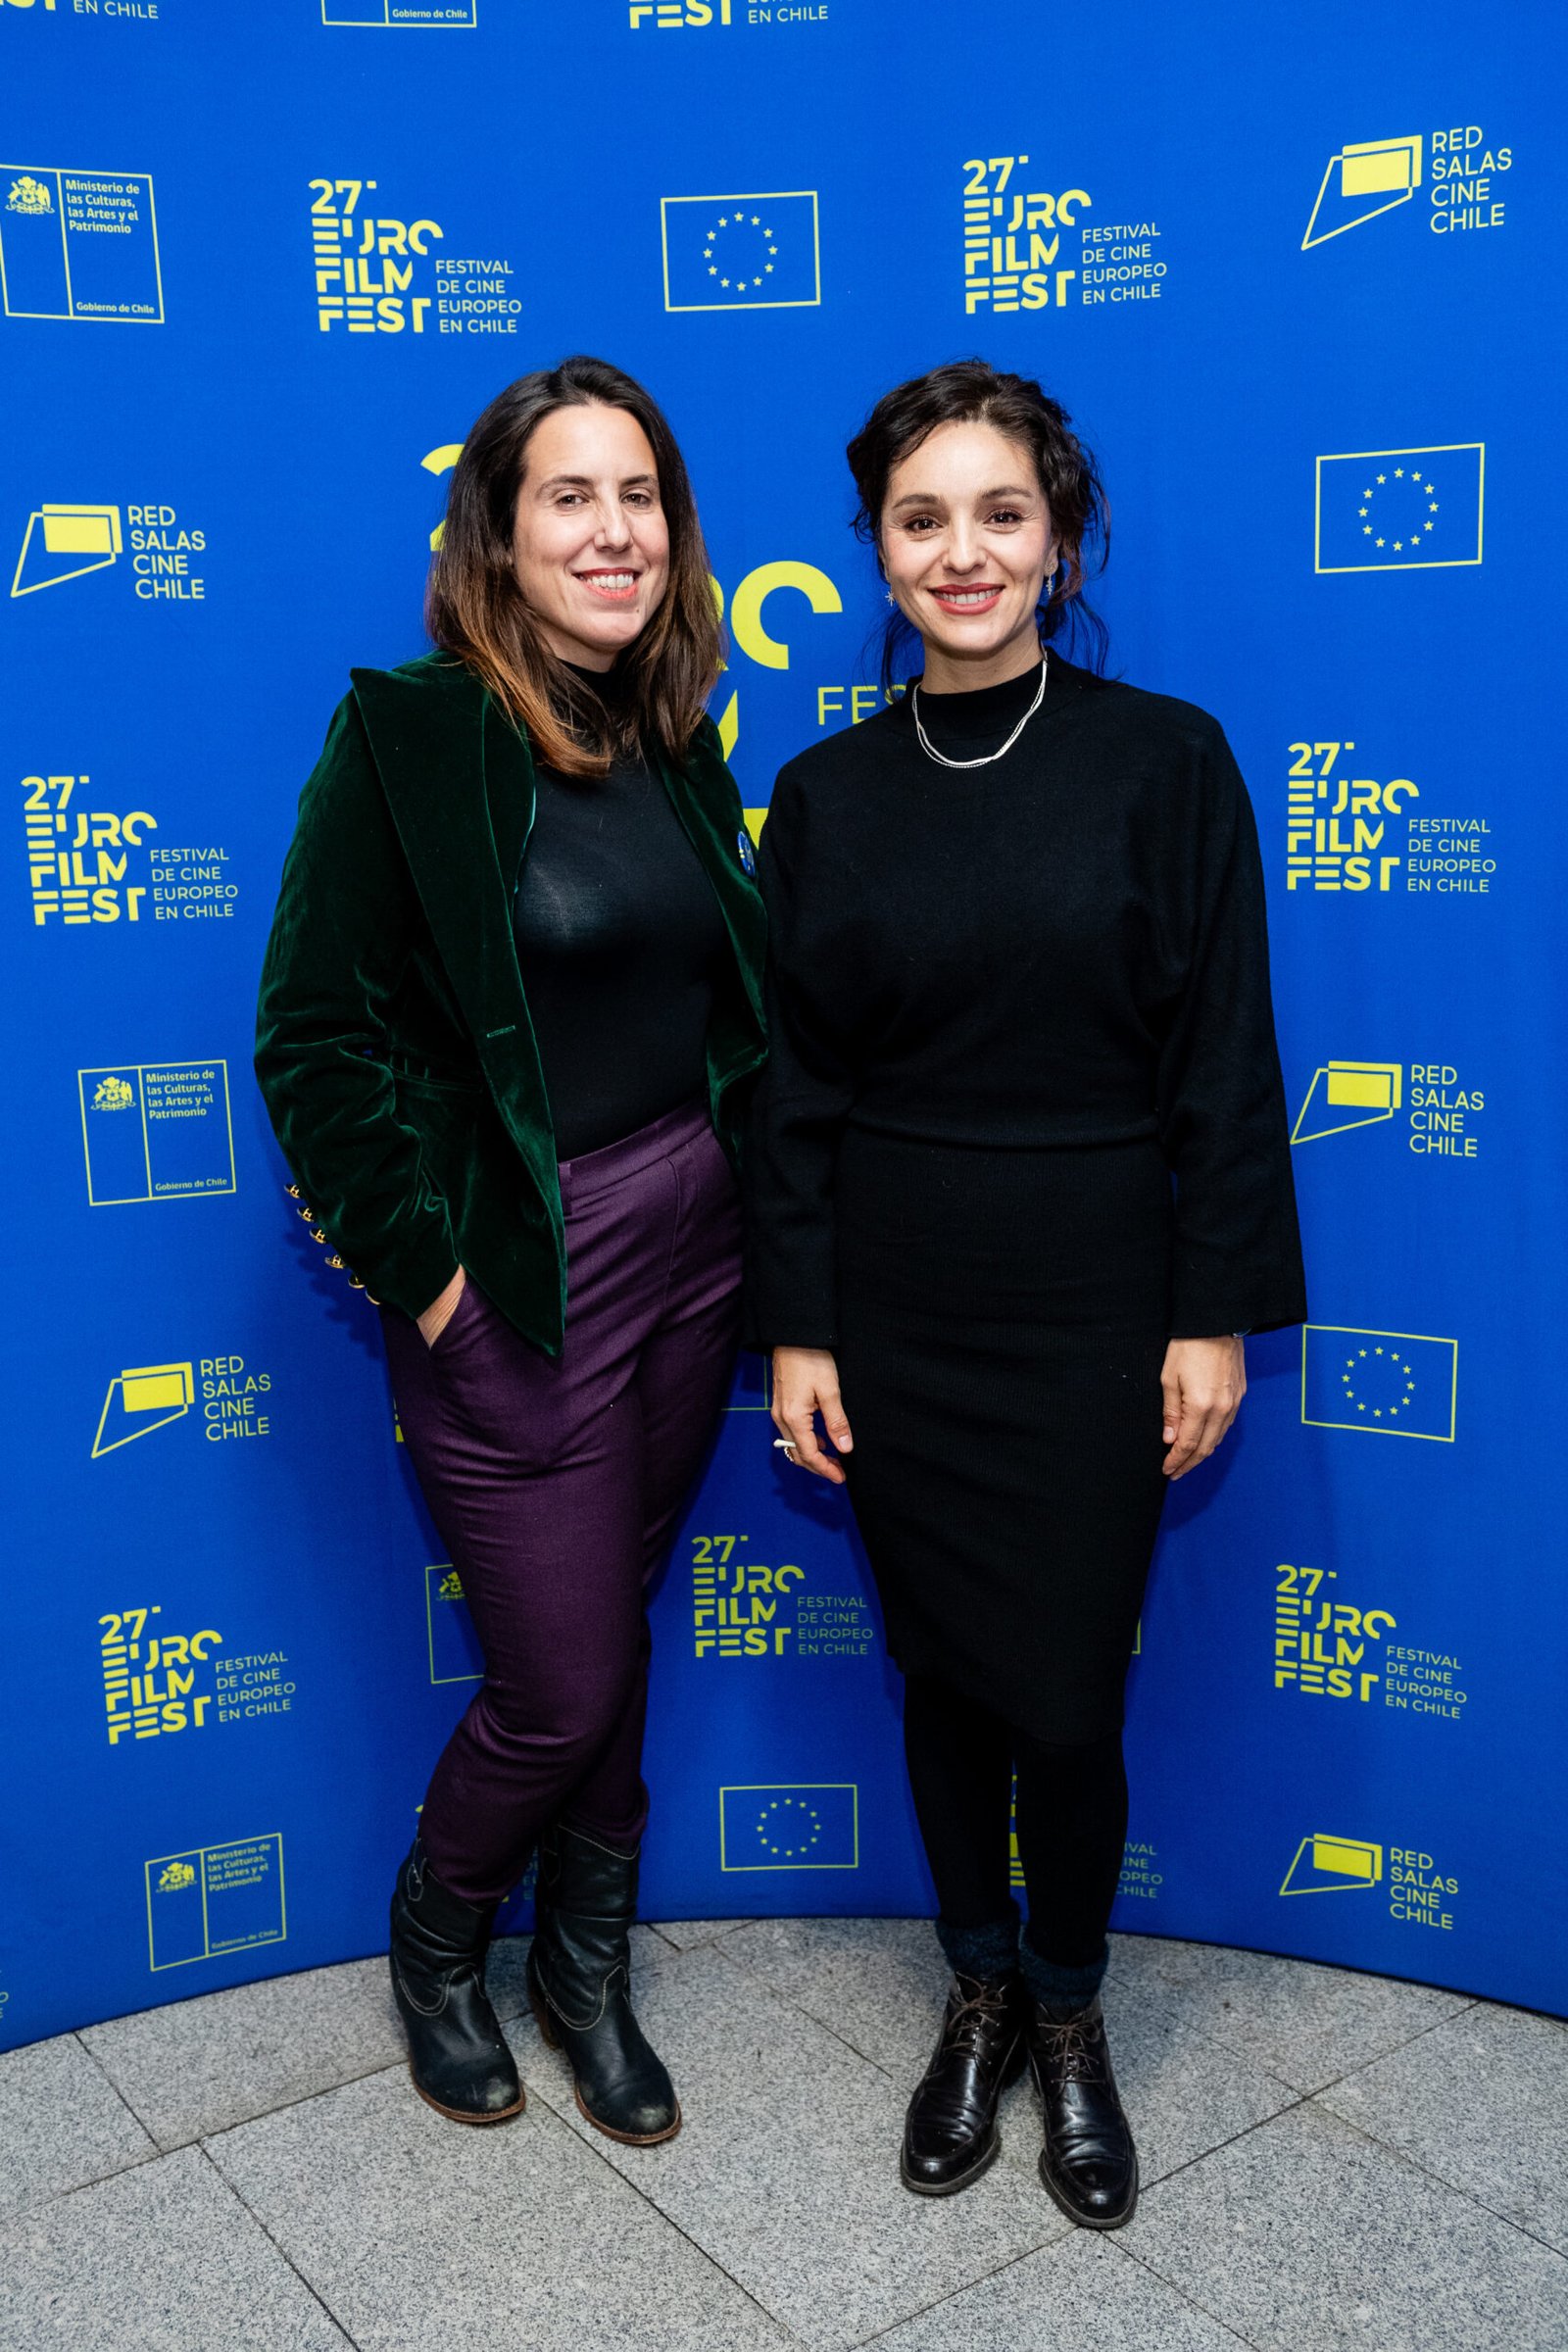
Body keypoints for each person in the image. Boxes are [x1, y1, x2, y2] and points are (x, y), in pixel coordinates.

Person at [746, 361, 1305, 2229]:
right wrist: (801, 1324)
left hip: (1095, 1298)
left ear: (1061, 538)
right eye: (923, 520)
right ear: (877, 547)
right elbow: (791, 1095)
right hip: (898, 1301)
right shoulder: (821, 797)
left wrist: (1211, 1314)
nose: (963, 553)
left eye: (1002, 513)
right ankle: (974, 1987)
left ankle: (1068, 2007)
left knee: (1065, 1702)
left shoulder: (1169, 762)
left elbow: (1224, 1064)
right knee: (943, 1678)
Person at [256, 357, 765, 2142]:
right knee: (562, 1683)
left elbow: (722, 1006)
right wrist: (435, 1280)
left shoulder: (672, 735)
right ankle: (440, 1935)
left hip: (697, 1248)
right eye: (571, 496)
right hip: (523, 1276)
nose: (614, 532)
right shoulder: (410, 740)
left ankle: (585, 1972)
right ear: (497, 531)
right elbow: (314, 1037)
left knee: (612, 1630)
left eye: (640, 497)